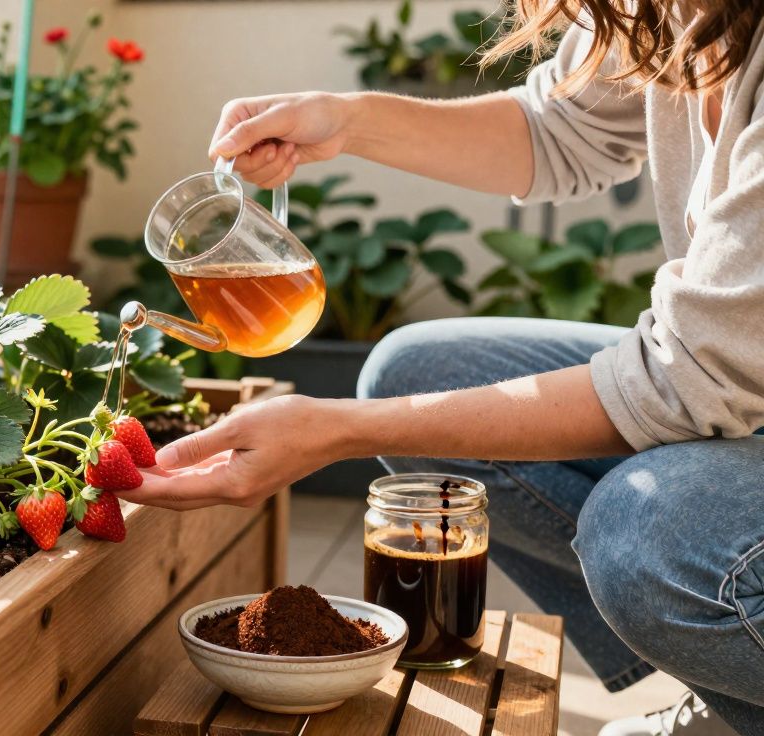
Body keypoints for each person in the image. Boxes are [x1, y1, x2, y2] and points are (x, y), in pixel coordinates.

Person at [115, 1, 764, 734]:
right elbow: (559, 131)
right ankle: (733, 697)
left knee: (646, 529)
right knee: (411, 378)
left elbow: (685, 379)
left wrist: (339, 432)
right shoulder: (666, 11)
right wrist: (345, 120)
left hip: (720, 385)